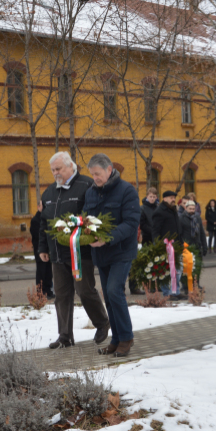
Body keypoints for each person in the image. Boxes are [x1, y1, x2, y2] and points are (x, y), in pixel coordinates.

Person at [37, 151, 110, 350]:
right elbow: (44, 222)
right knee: (61, 295)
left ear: (71, 166)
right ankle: (65, 336)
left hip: (81, 252)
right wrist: (43, 247)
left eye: (59, 169)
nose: (55, 173)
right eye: (53, 170)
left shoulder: (87, 185)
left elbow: (94, 216)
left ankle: (102, 322)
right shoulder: (50, 192)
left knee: (84, 290)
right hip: (57, 254)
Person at [84, 153, 141, 358]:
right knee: (108, 296)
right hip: (101, 252)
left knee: (114, 290)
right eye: (92, 174)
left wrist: (108, 238)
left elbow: (131, 222)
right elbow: (86, 219)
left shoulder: (127, 190)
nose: (95, 178)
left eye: (97, 174)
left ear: (109, 170)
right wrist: (85, 234)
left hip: (121, 250)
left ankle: (126, 338)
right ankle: (116, 340)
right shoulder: (91, 193)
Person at [152, 190, 183, 297]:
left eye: (174, 197)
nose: (173, 199)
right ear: (164, 199)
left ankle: (176, 291)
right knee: (166, 271)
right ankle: (167, 293)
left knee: (178, 270)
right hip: (165, 246)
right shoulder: (159, 211)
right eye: (171, 198)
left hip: (176, 244)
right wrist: (158, 245)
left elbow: (177, 227)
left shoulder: (173, 210)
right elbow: (155, 230)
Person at [30, 202, 54, 300]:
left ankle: (48, 291)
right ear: (38, 207)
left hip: (48, 249)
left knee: (48, 271)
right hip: (39, 250)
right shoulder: (35, 220)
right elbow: (39, 235)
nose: (44, 207)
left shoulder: (47, 218)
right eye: (42, 206)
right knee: (41, 272)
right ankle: (40, 292)